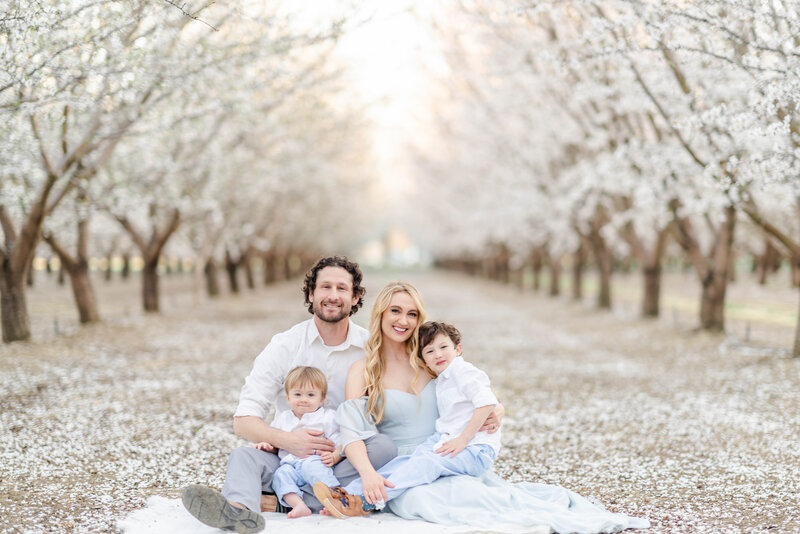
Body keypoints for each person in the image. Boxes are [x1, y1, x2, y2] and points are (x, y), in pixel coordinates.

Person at [333, 281, 651, 533]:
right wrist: (368, 475)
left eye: (412, 314)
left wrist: (496, 412)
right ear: (380, 314)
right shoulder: (364, 370)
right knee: (420, 499)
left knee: (472, 496)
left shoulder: (431, 359)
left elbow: (478, 395)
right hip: (404, 465)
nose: (404, 320)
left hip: (450, 456)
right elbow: (353, 431)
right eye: (395, 311)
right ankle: (360, 496)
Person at [181, 256, 397, 534]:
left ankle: (279, 502)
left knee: (384, 447)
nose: (333, 296)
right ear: (311, 294)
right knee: (243, 458)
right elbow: (243, 420)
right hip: (286, 461)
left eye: (342, 289)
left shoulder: (370, 348)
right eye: (325, 287)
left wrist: (342, 451)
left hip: (340, 461)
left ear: (355, 297)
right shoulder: (284, 345)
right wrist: (287, 441)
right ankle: (239, 511)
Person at [315, 321, 500, 517]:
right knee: (403, 463)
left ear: (458, 349)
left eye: (444, 347)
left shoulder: (463, 371)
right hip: (445, 440)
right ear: (423, 358)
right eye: (430, 351)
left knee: (427, 464)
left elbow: (487, 401)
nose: (438, 354)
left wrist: (465, 437)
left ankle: (364, 503)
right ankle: (346, 495)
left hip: (474, 448)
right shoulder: (443, 376)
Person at [261, 366, 342, 518]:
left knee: (312, 467)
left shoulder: (327, 417)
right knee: (280, 475)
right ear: (288, 397)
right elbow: (274, 440)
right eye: (297, 394)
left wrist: (335, 456)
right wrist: (266, 445)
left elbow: (341, 443)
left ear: (322, 398)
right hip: (290, 465)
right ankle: (299, 505)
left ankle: (335, 500)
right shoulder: (284, 418)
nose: (303, 399)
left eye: (311, 395)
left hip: (316, 461)